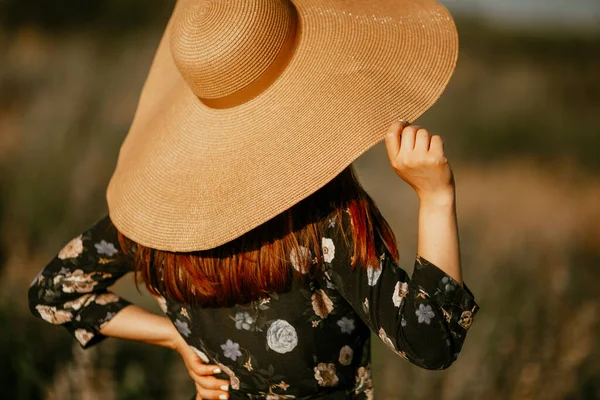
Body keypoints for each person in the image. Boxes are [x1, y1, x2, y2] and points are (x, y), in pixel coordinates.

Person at [28, 0, 479, 399]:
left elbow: (53, 292)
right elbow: (429, 341)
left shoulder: (153, 221)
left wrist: (176, 338)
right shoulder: (324, 219)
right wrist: (436, 197)